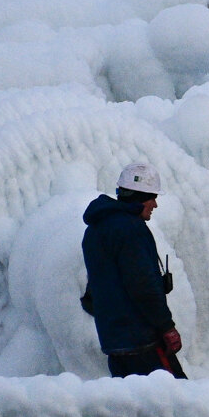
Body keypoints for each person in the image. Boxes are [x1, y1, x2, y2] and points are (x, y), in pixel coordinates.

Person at [81, 161, 185, 378]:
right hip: (142, 341)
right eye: (152, 197)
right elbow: (143, 286)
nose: (155, 204)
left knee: (133, 405)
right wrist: (167, 327)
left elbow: (94, 291)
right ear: (139, 199)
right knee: (178, 397)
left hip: (113, 344)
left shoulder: (94, 230)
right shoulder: (132, 230)